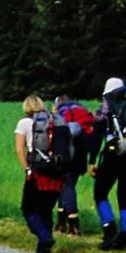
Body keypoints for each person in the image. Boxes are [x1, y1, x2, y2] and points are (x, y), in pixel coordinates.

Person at [90, 76, 126, 251]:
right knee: (125, 196)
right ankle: (125, 236)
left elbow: (96, 137)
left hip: (113, 153)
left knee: (100, 193)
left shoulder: (107, 109)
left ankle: (109, 232)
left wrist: (92, 161)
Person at [15, 93, 63, 253]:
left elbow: (19, 148)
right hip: (57, 172)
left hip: (37, 172)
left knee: (28, 209)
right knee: (46, 210)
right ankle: (42, 251)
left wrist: (26, 168)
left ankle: (44, 238)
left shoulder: (25, 123)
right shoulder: (56, 120)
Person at [53, 94, 96, 236]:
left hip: (65, 156)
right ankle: (60, 223)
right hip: (80, 156)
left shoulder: (60, 114)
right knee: (66, 186)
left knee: (66, 186)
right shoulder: (81, 113)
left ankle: (73, 225)